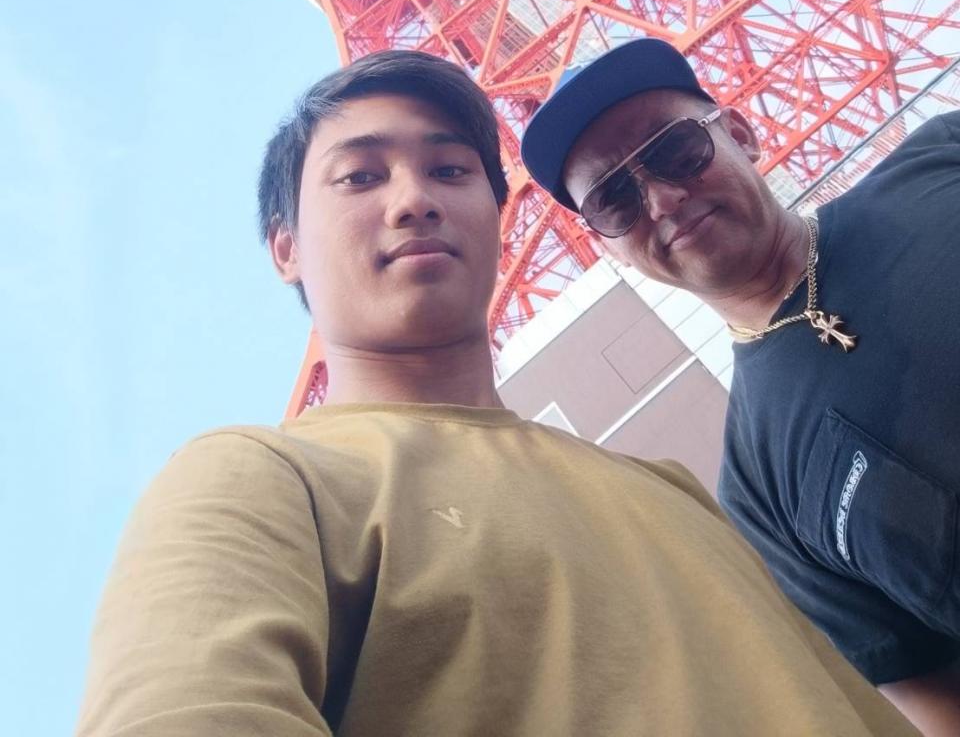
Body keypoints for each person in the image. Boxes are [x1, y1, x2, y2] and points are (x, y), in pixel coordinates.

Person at [77, 49, 917, 737]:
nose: (414, 200)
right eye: (360, 178)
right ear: (285, 248)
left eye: (450, 169)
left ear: (496, 217)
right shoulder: (257, 480)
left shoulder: (676, 489)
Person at [520, 36, 960, 736]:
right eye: (614, 199)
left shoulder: (943, 158)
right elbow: (933, 699)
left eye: (675, 149)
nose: (662, 198)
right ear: (609, 248)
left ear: (741, 134)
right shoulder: (756, 499)